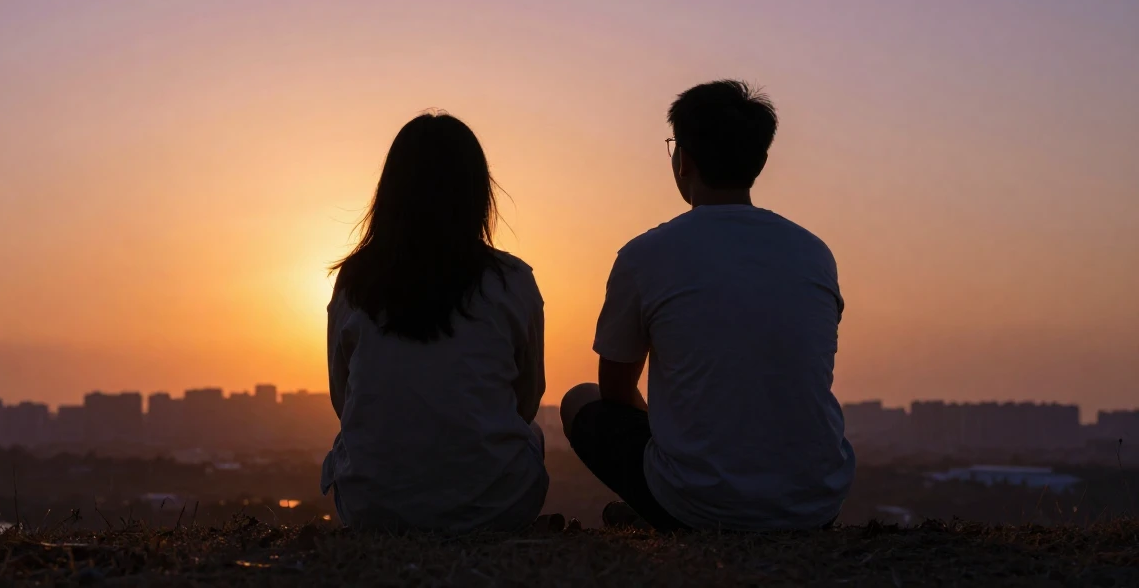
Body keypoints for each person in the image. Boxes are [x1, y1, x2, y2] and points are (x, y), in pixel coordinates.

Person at [561, 80, 854, 531]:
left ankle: (662, 503)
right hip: (815, 503)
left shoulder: (646, 256)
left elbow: (616, 391)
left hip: (699, 507)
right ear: (760, 160)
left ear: (684, 161)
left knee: (580, 400)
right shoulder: (813, 252)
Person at [321, 111, 548, 533]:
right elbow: (526, 401)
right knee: (532, 434)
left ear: (389, 194)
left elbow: (343, 399)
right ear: (478, 193)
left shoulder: (354, 283)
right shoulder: (512, 281)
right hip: (495, 509)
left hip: (372, 510)